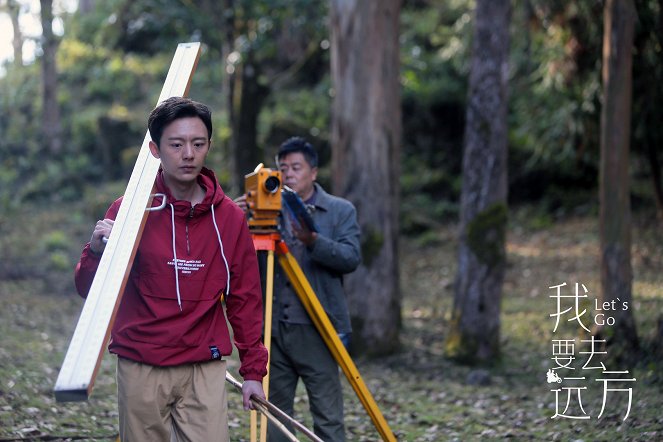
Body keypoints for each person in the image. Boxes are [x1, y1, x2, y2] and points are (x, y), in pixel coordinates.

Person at [74, 96, 267, 442]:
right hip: (141, 362)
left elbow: (245, 298)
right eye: (176, 145)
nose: (189, 154)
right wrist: (97, 251)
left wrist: (253, 371)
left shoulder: (230, 218)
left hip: (203, 366)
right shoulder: (130, 210)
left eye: (198, 144)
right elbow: (89, 290)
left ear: (208, 145)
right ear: (155, 149)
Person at [236, 137, 361, 442]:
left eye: (296, 167)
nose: (289, 174)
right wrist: (237, 223)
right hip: (275, 330)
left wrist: (314, 241)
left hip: (319, 329)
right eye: (283, 168)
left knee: (328, 417)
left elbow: (351, 258)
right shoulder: (265, 208)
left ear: (314, 172)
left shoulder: (339, 210)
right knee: (276, 417)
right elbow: (243, 266)